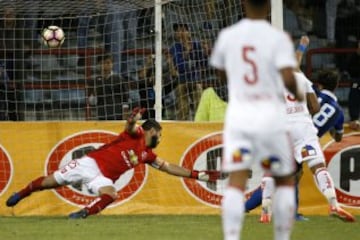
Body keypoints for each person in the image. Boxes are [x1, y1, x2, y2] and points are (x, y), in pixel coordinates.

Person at [6, 107, 221, 218]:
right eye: (159, 134)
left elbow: (169, 167)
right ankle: (22, 193)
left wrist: (196, 175)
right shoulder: (136, 135)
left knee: (111, 194)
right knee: (49, 182)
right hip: (88, 163)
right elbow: (129, 127)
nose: (160, 139)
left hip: (103, 177)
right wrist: (131, 119)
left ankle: (83, 213)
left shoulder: (148, 155)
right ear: (151, 131)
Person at [210, 0, 304, 239]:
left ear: (242, 3)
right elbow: (288, 78)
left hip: (240, 116)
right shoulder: (278, 38)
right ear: (270, 7)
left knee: (237, 178)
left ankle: (231, 236)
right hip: (269, 116)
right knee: (283, 178)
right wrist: (298, 91)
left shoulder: (228, 35)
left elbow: (221, 74)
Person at [169, 23, 208, 120]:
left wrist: (205, 53)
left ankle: (200, 127)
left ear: (189, 32)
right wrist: (187, 52)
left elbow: (203, 64)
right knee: (183, 110)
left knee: (199, 107)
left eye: (184, 30)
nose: (181, 33)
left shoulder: (197, 45)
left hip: (195, 81)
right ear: (175, 34)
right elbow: (180, 67)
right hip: (182, 81)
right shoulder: (174, 47)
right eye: (178, 30)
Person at [87, 54, 129, 120]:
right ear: (99, 65)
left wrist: (125, 114)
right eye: (103, 63)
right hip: (102, 115)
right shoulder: (95, 81)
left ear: (112, 64)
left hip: (117, 114)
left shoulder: (119, 79)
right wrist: (94, 94)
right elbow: (91, 102)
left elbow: (125, 99)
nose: (106, 65)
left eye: (108, 63)